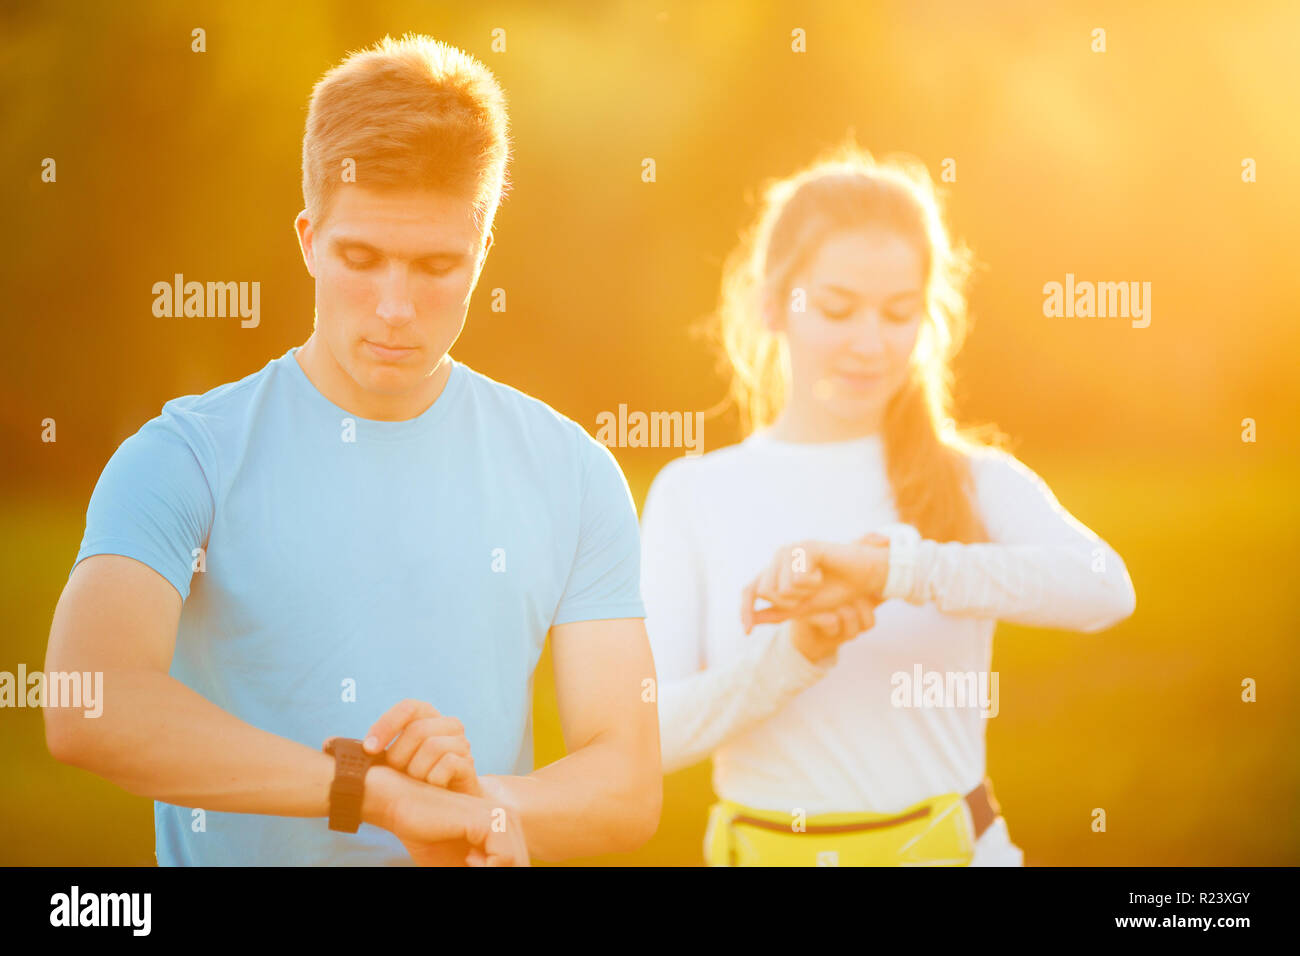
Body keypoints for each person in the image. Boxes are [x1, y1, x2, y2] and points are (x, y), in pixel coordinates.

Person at [43, 34, 661, 866]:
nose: (396, 306)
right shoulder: (185, 456)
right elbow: (88, 702)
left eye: (437, 264)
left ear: (484, 250)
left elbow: (626, 783)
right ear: (307, 239)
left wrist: (485, 807)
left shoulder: (574, 471)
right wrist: (368, 792)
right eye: (360, 259)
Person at [640, 143, 1136, 866]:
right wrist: (797, 651)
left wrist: (898, 571)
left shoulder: (974, 478)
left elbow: (1105, 587)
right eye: (838, 309)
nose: (870, 343)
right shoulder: (693, 494)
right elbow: (650, 734)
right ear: (773, 304)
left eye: (899, 313)